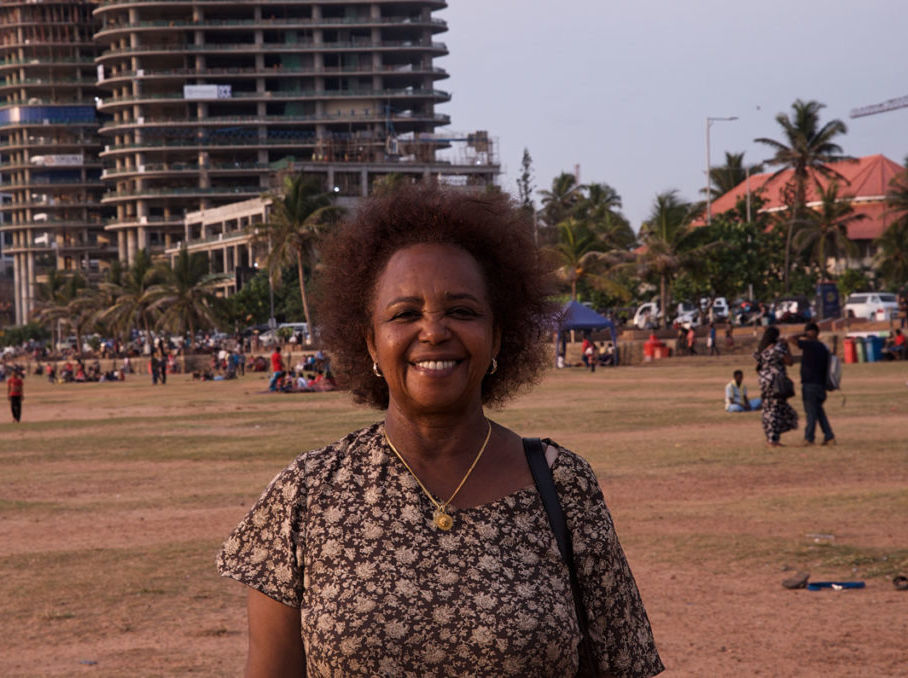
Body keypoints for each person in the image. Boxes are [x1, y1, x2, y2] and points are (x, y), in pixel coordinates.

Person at [217, 186, 663, 676]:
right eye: (405, 313)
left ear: (497, 335)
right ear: (369, 342)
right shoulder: (305, 493)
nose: (433, 331)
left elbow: (622, 666)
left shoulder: (563, 485)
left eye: (462, 311)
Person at [753, 326, 798, 447]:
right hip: (776, 383)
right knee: (775, 410)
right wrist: (786, 346)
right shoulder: (777, 348)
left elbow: (757, 367)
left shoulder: (761, 349)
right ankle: (773, 440)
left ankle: (770, 437)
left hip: (764, 382)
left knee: (768, 409)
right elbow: (790, 362)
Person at [793, 322, 835, 446]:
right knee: (818, 411)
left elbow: (790, 339)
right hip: (821, 384)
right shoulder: (824, 347)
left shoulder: (810, 345)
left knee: (811, 412)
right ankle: (829, 436)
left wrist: (802, 334)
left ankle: (809, 438)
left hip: (810, 383)